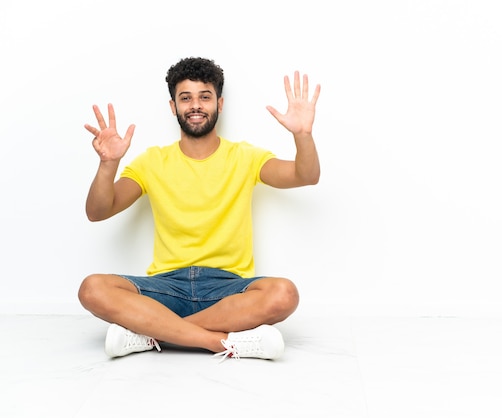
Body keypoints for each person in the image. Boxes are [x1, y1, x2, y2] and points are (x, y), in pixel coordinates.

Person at [78, 57, 321, 361]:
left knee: (285, 294)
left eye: (204, 97)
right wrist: (107, 165)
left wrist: (302, 135)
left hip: (228, 290)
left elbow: (306, 175)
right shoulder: (151, 162)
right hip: (167, 288)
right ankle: (219, 342)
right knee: (92, 289)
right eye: (186, 98)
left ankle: (150, 334)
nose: (195, 105)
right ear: (173, 107)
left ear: (219, 103)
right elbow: (98, 211)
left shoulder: (245, 157)